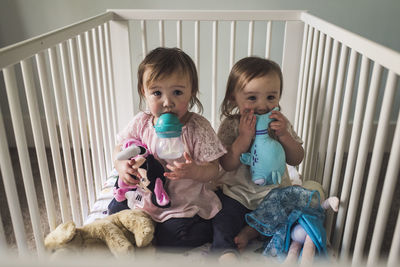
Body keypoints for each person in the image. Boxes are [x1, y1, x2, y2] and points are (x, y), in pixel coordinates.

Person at [108, 47, 226, 249]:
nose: (168, 102)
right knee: (114, 211)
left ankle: (209, 227)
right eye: (157, 92)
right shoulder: (142, 122)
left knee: (172, 239)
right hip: (143, 196)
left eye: (177, 92)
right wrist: (121, 166)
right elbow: (119, 147)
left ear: (192, 93)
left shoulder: (198, 128)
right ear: (143, 92)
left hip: (181, 204)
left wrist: (196, 171)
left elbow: (215, 168)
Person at [212, 56, 304, 262]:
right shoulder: (230, 125)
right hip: (237, 194)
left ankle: (251, 231)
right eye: (252, 98)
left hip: (272, 194)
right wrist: (243, 138)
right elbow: (226, 164)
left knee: (291, 217)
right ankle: (226, 252)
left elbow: (296, 158)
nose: (263, 106)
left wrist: (284, 136)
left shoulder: (280, 124)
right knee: (220, 218)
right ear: (233, 98)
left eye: (271, 97)